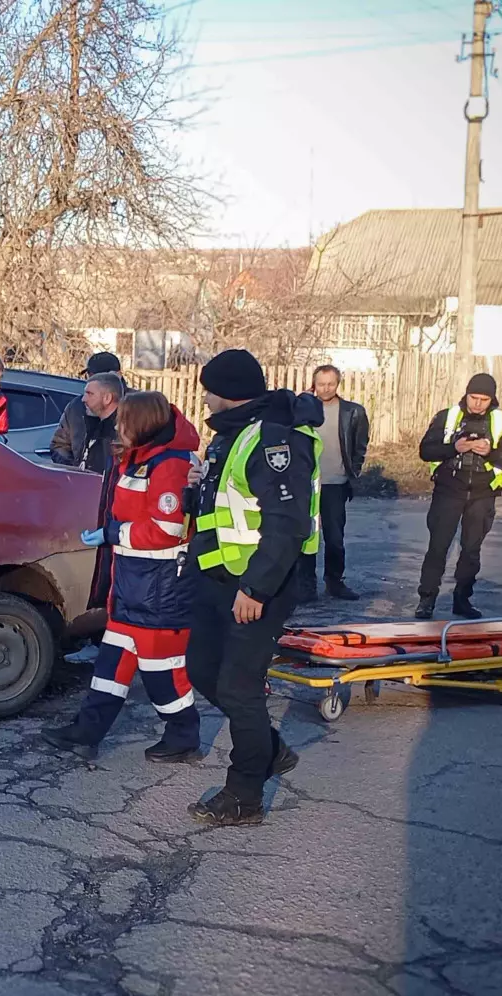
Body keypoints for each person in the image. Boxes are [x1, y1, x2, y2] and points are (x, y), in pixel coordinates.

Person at [184, 349, 322, 827]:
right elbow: (223, 508)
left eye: (209, 391)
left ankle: (244, 796)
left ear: (229, 394)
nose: (204, 398)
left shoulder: (273, 440)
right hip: (218, 578)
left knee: (239, 688)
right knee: (201, 669)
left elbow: (287, 525)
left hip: (257, 586)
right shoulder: (231, 436)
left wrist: (257, 589)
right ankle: (269, 748)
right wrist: (194, 489)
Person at [44, 392, 203, 762]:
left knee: (162, 672)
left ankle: (183, 734)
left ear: (142, 425)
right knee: (110, 666)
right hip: (134, 583)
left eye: (124, 422)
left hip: (161, 588)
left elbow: (165, 529)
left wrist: (112, 534)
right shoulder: (140, 460)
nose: (117, 427)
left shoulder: (171, 465)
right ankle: (87, 732)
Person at [414, 372, 502, 620]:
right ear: (466, 394)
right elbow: (425, 451)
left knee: (471, 550)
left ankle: (462, 600)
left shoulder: (501, 421)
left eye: (484, 399)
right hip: (448, 490)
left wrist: (491, 452)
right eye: (474, 397)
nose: (477, 403)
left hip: (483, 494)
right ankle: (426, 600)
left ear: (491, 398)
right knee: (438, 547)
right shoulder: (448, 416)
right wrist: (455, 447)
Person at [56, 371, 128, 666]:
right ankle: (94, 636)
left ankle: (106, 642)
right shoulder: (82, 416)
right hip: (87, 502)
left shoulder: (124, 427)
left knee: (111, 576)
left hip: (112, 509)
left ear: (107, 398)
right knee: (94, 572)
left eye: (89, 393)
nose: (82, 399)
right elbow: (62, 445)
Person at [300, 365, 369, 601]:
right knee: (305, 537)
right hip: (306, 483)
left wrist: (353, 472)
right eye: (321, 384)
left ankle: (334, 582)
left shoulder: (353, 412)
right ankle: (305, 585)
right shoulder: (300, 410)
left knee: (335, 538)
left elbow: (360, 445)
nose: (326, 389)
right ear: (313, 383)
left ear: (338, 384)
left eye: (331, 384)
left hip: (335, 483)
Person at [47, 351, 123, 467]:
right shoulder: (77, 407)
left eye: (99, 376)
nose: (92, 380)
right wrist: (75, 470)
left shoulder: (135, 407)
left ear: (117, 375)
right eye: (90, 375)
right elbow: (59, 444)